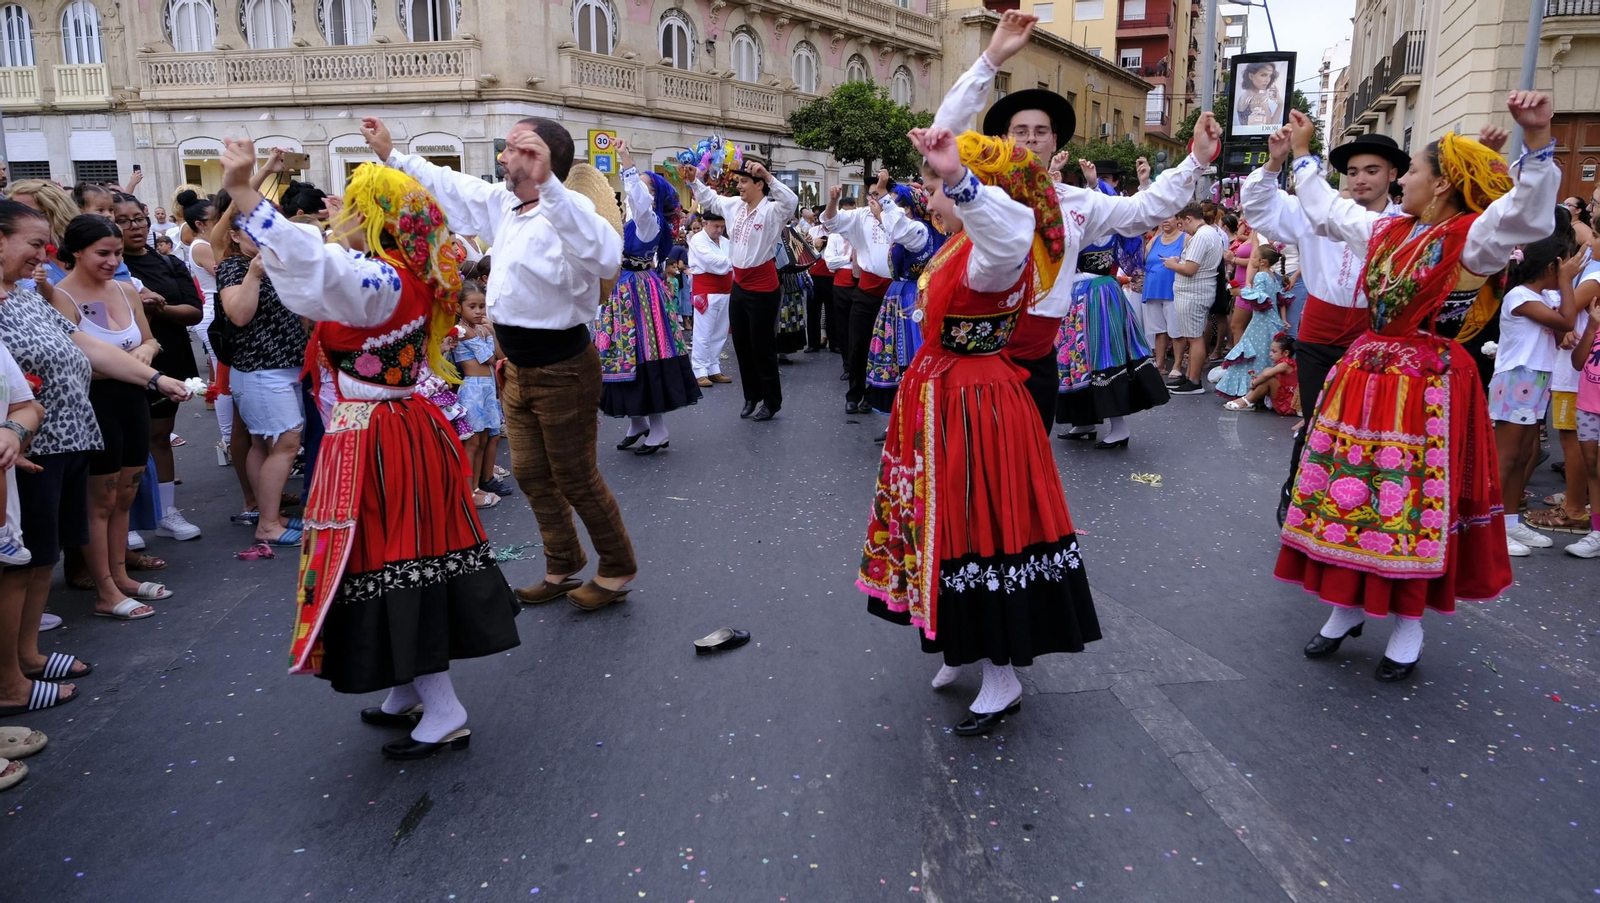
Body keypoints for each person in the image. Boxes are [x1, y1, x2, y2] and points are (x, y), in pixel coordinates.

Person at [218, 136, 519, 759]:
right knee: (381, 556)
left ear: (377, 221)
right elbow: (319, 277)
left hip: (381, 437)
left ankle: (444, 706)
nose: (341, 218)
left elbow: (318, 270)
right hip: (396, 429)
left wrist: (247, 190)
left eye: (356, 209)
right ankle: (407, 688)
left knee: (390, 557)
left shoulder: (381, 279)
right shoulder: (405, 276)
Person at [1277, 91, 1559, 682]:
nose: (1403, 179)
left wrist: (1537, 143)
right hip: (1366, 379)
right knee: (1350, 487)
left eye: (1414, 171)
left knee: (1406, 499)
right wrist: (1302, 155)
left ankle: (1408, 623)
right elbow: (1327, 209)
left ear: (1443, 184)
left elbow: (1527, 215)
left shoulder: (1470, 238)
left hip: (1425, 387)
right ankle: (1347, 606)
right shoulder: (1388, 229)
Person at [858, 122, 1099, 736]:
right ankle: (958, 643)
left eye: (937, 188)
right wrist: (986, 62)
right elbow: (945, 138)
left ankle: (1002, 675)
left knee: (980, 524)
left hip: (976, 404)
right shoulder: (957, 248)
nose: (929, 197)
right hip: (943, 397)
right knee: (946, 523)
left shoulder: (996, 251)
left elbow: (1008, 225)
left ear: (979, 195)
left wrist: (962, 179)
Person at [364, 115, 637, 611]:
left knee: (576, 476)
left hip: (564, 368)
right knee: (532, 473)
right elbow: (451, 184)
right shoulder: (505, 204)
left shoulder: (570, 208)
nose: (502, 157)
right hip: (517, 367)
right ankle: (563, 563)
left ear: (541, 158)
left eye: (514, 149)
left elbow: (605, 256)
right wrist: (393, 155)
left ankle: (617, 567)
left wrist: (551, 182)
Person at [930, 10, 1213, 435]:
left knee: (1026, 469)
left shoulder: (1078, 202)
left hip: (1037, 355)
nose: (1029, 139)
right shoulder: (980, 193)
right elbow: (942, 138)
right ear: (1004, 140)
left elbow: (1142, 211)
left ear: (1054, 142)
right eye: (1019, 131)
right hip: (975, 356)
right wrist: (990, 58)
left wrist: (1196, 160)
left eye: (1040, 132)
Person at [0, 200, 191, 712]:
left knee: (43, 555)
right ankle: (10, 680)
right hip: (25, 451)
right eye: (35, 245)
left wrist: (154, 377)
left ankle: (28, 656)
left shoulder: (21, 296)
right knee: (19, 561)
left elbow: (84, 344)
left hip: (60, 440)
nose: (45, 256)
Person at [1244, 125, 1411, 525]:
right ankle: (1298, 499)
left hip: (1374, 335)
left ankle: (1361, 510)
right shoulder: (1315, 210)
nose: (1360, 179)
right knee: (1317, 421)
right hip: (1319, 332)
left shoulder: (1406, 222)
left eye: (1372, 170)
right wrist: (1276, 161)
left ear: (1392, 174)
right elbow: (1261, 207)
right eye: (1353, 171)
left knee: (1372, 427)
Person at [49, 215, 172, 619]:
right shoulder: (60, 297)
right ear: (77, 251)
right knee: (98, 502)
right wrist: (129, 365)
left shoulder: (124, 288)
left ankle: (121, 576)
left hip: (133, 402)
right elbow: (73, 360)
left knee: (125, 495)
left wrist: (147, 354)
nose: (112, 260)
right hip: (94, 406)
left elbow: (150, 338)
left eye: (117, 253)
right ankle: (104, 588)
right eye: (103, 253)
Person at [1051, 160, 1170, 448]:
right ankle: (1084, 421)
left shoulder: (1108, 224)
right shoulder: (1077, 222)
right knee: (1076, 361)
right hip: (1076, 297)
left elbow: (1131, 218)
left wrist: (1097, 184)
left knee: (1105, 356)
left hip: (1098, 296)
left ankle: (1119, 427)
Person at [215, 204, 312, 548]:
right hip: (259, 370)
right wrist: (254, 274)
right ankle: (268, 524)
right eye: (252, 231)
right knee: (287, 443)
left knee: (263, 443)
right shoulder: (233, 267)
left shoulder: (279, 263)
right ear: (235, 235)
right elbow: (239, 316)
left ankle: (267, 513)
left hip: (284, 367)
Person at [598, 141, 701, 454]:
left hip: (638, 294)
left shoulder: (648, 221)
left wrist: (626, 160)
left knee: (643, 353)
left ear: (653, 197)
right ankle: (638, 421)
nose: (634, 192)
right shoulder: (630, 221)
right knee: (622, 355)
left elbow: (639, 202)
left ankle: (658, 428)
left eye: (643, 188)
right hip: (624, 291)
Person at [114, 193, 204, 543]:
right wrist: (144, 305)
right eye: (122, 220)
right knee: (129, 441)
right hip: (128, 360)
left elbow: (193, 311)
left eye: (138, 218)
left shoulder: (167, 262)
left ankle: (166, 512)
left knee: (159, 437)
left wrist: (155, 308)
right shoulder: (113, 266)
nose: (133, 227)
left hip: (170, 353)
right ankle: (130, 519)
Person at [682, 159, 800, 421]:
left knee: (762, 347)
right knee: (742, 345)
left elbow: (791, 201)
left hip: (763, 286)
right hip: (740, 285)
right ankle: (751, 396)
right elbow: (710, 199)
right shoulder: (734, 205)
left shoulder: (772, 210)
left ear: (759, 185)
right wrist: (693, 180)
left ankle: (771, 401)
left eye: (744, 181)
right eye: (738, 181)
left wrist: (768, 175)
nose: (739, 186)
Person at [1489, 237, 1585, 556]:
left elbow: (1561, 336)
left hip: (1537, 378)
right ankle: (1491, 528)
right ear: (1551, 266)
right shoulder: (1520, 295)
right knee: (1508, 457)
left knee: (1524, 455)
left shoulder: (1542, 296)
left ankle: (1510, 521)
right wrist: (1567, 283)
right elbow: (1567, 322)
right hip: (1518, 377)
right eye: (1566, 262)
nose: (1571, 266)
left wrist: (1561, 292)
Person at [822, 171, 928, 415]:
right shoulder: (860, 216)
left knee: (886, 348)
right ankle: (854, 393)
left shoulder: (898, 217)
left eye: (878, 193)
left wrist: (885, 213)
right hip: (866, 291)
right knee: (858, 344)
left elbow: (907, 237)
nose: (873, 199)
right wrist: (833, 201)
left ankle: (875, 395)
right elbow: (831, 222)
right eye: (870, 194)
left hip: (896, 295)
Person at [864, 181, 943, 415]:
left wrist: (884, 200)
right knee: (897, 356)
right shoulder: (913, 228)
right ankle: (902, 416)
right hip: (900, 295)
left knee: (909, 353)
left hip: (913, 296)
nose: (895, 211)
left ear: (909, 208)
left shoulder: (919, 230)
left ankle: (917, 414)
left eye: (900, 206)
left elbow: (899, 229)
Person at [448, 281, 505, 507]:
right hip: (473, 389)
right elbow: (490, 359)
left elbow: (500, 355)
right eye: (472, 306)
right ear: (459, 307)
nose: (479, 311)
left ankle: (477, 486)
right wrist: (484, 333)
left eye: (482, 306)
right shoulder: (461, 331)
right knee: (472, 442)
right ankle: (468, 492)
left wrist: (491, 331)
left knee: (484, 439)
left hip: (488, 388)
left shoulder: (479, 329)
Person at [1166, 203, 1227, 394]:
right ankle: (1191, 377)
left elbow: (1190, 269)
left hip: (1193, 292)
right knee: (1194, 337)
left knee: (1195, 338)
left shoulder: (1201, 236)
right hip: (1198, 291)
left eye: (1182, 224)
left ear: (1189, 218)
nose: (1182, 229)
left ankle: (1194, 381)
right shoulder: (1211, 233)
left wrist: (1172, 264)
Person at [1215, 245, 1289, 401]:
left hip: (1261, 322)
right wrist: (1283, 319)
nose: (1252, 260)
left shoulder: (1260, 276)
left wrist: (1240, 292)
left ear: (1262, 261)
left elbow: (1260, 296)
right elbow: (1278, 298)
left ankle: (1250, 390)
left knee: (1254, 353)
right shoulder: (1272, 275)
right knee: (1265, 354)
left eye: (1254, 257)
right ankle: (1263, 390)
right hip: (1271, 320)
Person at [1566, 294, 1600, 558]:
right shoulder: (1595, 323)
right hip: (1588, 406)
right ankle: (1596, 532)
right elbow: (1578, 362)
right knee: (1592, 467)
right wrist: (1591, 326)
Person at [687, 212, 733, 387]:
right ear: (707, 223)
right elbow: (712, 262)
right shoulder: (698, 240)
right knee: (703, 332)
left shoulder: (727, 243)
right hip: (706, 291)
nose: (720, 230)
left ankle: (713, 368)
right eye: (716, 226)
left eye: (722, 227)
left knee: (720, 333)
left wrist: (728, 263)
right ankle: (699, 370)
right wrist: (731, 262)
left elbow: (725, 265)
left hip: (725, 290)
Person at [1140, 216, 1185, 371]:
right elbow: (1142, 258)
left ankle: (1177, 365)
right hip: (1153, 290)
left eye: (1169, 217)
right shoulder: (1155, 240)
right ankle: (1160, 364)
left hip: (1173, 290)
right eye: (1162, 218)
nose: (1165, 220)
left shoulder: (1185, 238)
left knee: (1176, 331)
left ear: (1178, 219)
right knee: (1159, 331)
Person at [1225, 333, 1299, 415]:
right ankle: (1247, 398)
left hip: (1286, 404)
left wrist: (1254, 383)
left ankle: (1248, 401)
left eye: (1274, 352)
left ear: (1285, 353)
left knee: (1270, 379)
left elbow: (1266, 375)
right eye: (1270, 351)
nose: (1270, 354)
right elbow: (1266, 373)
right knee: (1268, 370)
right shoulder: (1283, 364)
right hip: (1282, 397)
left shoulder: (1286, 364)